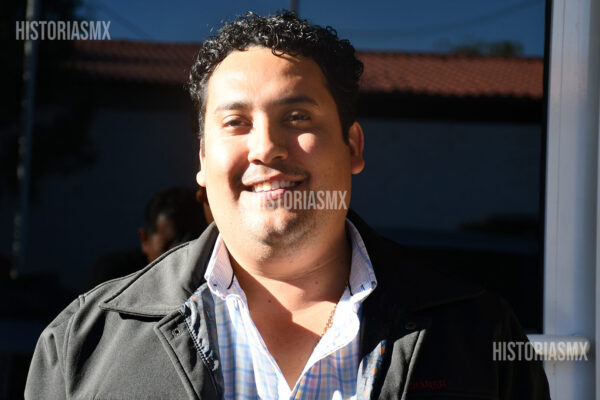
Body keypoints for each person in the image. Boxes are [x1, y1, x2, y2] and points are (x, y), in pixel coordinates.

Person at [25, 11, 550, 399]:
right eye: (236, 122)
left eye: (297, 117)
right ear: (203, 160)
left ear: (353, 147)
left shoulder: (477, 332)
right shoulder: (83, 344)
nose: (266, 147)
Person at [84, 187, 211, 290]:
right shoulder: (111, 278)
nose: (181, 257)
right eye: (168, 247)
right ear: (144, 239)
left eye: (193, 243)